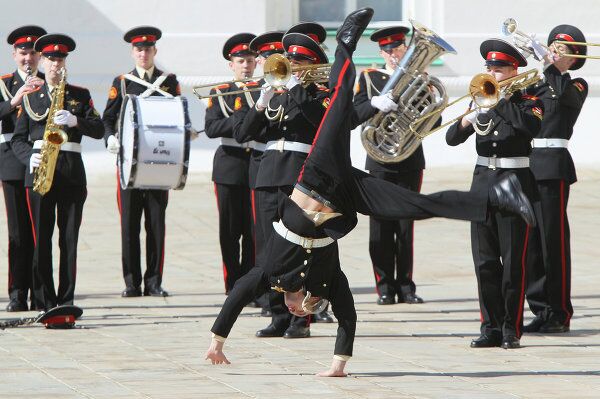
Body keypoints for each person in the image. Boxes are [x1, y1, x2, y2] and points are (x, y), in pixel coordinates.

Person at [206, 8, 535, 376]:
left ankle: (346, 40)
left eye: (300, 309)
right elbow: (347, 316)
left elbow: (236, 297)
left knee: (340, 105)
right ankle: (498, 197)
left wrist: (217, 342)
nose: (302, 308)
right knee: (413, 206)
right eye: (309, 309)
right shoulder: (328, 281)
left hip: (317, 174)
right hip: (345, 192)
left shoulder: (269, 270)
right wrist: (338, 366)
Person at [446, 38, 543, 349]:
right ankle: (490, 327)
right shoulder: (479, 98)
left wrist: (499, 101)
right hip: (483, 182)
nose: (491, 72)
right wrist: (466, 118)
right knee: (485, 262)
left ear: (513, 70)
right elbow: (451, 139)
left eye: (498, 68)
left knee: (514, 261)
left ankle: (511, 328)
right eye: (489, 67)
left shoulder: (530, 97)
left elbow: (531, 127)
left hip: (516, 182)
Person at [11, 33, 104, 311]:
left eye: (59, 59)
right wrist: (30, 158)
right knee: (41, 239)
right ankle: (43, 300)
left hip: (71, 172)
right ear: (43, 60)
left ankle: (66, 300)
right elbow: (18, 139)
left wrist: (77, 120)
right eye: (50, 59)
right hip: (40, 172)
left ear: (65, 62)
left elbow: (99, 130)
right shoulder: (32, 96)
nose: (55, 64)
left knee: (69, 240)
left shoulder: (80, 94)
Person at [102, 26, 181, 298]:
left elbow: (177, 114)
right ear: (132, 52)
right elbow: (108, 118)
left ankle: (154, 281)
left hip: (159, 164)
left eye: (148, 49)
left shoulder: (168, 81)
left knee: (156, 225)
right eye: (139, 49)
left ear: (155, 51)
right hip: (128, 165)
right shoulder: (122, 82)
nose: (143, 53)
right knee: (129, 226)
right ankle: (132, 282)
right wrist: (110, 137)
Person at [354, 25, 428, 305]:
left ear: (405, 48)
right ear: (380, 52)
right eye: (387, 49)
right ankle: (384, 286)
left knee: (406, 224)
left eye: (397, 48)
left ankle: (406, 286)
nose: (393, 54)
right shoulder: (369, 77)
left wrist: (421, 86)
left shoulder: (419, 77)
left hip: (409, 158)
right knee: (381, 225)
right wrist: (375, 104)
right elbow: (355, 113)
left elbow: (429, 113)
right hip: (379, 159)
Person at [523, 25, 588, 334]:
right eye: (552, 47)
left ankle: (559, 311)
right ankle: (539, 307)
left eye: (564, 50)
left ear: (574, 58)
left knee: (553, 240)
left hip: (552, 167)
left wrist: (554, 68)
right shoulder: (533, 84)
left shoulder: (575, 84)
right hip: (526, 164)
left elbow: (563, 98)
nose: (556, 52)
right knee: (531, 243)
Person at [204, 33, 257, 294]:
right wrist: (241, 121)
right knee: (229, 230)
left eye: (250, 60)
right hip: (229, 167)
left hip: (257, 164)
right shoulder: (220, 92)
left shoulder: (265, 90)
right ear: (231, 65)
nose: (246, 65)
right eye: (240, 61)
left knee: (254, 230)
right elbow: (211, 128)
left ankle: (251, 284)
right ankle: (232, 284)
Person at [0, 25, 46, 311]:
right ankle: (17, 292)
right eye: (22, 52)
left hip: (40, 158)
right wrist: (15, 100)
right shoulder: (4, 83)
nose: (27, 58)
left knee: (39, 229)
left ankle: (41, 293)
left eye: (32, 52)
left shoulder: (48, 81)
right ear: (14, 54)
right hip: (11, 161)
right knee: (18, 232)